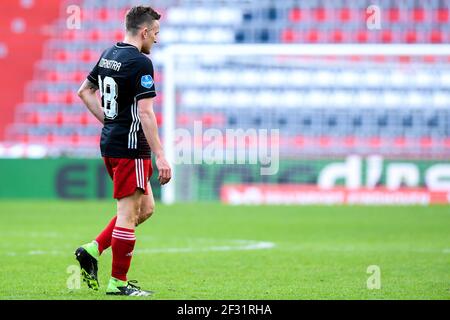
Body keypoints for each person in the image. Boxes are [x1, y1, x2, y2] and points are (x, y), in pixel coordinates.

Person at [76, 5, 171, 296]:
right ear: (144, 31)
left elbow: (84, 91)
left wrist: (109, 122)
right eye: (155, 32)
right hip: (131, 148)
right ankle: (118, 282)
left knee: (146, 209)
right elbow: (145, 113)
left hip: (111, 144)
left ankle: (92, 249)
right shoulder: (141, 63)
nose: (156, 38)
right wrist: (161, 154)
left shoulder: (109, 54)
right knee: (128, 215)